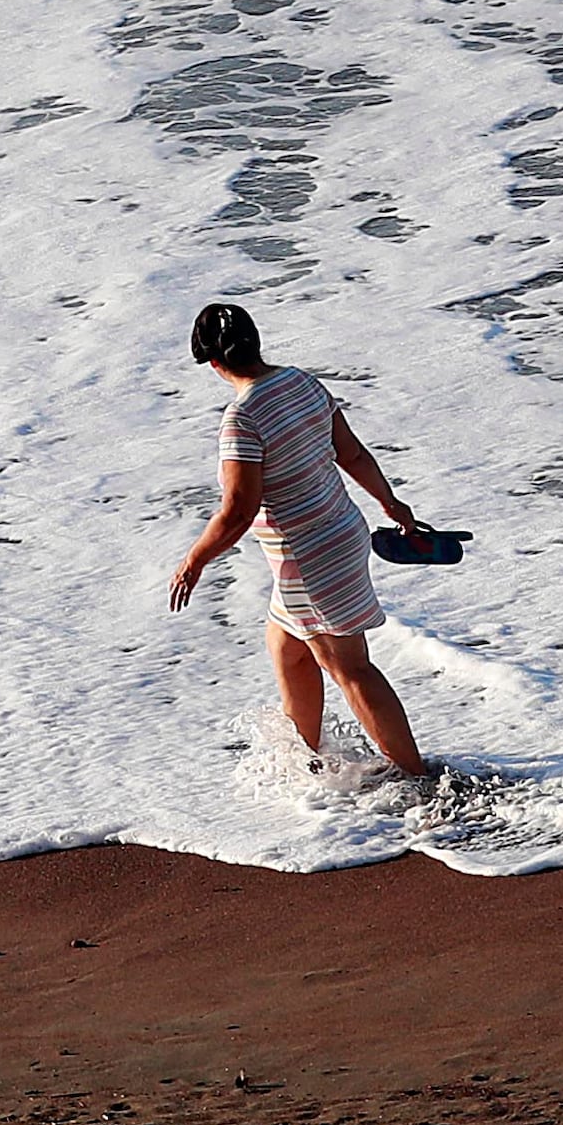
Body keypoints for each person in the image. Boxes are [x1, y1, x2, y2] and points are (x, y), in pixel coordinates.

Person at [162, 301, 442, 787]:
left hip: (307, 558)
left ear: (212, 363)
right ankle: (308, 766)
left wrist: (194, 560)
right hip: (342, 532)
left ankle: (419, 782)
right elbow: (350, 452)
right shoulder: (301, 382)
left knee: (349, 668)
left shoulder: (241, 420)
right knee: (287, 647)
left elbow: (237, 513)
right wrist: (390, 504)